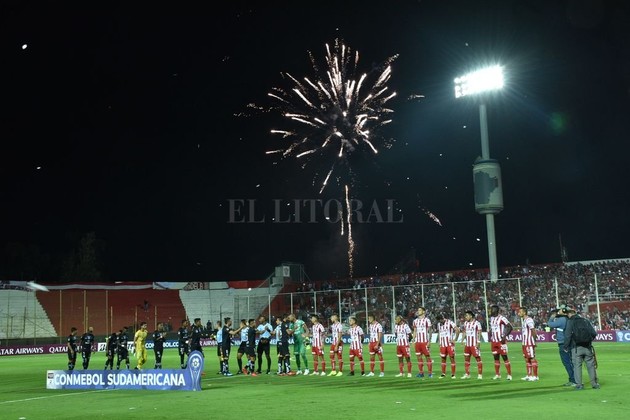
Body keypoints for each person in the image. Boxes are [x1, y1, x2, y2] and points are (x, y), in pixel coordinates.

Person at [563, 308, 600, 390]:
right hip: (587, 347)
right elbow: (593, 333)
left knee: (577, 366)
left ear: (570, 314)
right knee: (591, 366)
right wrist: (588, 341)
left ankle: (579, 385)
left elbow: (567, 335)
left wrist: (565, 346)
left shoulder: (570, 322)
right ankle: (594, 384)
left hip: (576, 348)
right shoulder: (585, 321)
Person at [548, 305, 576, 386]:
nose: (558, 311)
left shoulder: (561, 319)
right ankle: (576, 379)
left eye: (559, 310)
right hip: (570, 342)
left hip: (563, 343)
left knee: (567, 362)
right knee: (572, 362)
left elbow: (550, 324)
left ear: (563, 311)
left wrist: (552, 317)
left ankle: (573, 380)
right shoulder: (569, 319)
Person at [489, 304, 513, 381]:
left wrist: (504, 336)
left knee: (505, 357)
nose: (490, 311)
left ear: (496, 310)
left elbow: (510, 327)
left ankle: (509, 375)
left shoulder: (502, 318)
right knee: (496, 358)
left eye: (492, 309)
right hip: (494, 341)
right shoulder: (491, 318)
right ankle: (497, 375)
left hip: (500, 341)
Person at [460, 310, 483, 380]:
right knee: (466, 359)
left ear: (471, 316)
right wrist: (462, 340)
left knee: (478, 358)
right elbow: (464, 332)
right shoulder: (465, 323)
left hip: (474, 344)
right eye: (465, 316)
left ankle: (480, 375)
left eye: (467, 316)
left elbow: (479, 333)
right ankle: (467, 374)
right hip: (467, 344)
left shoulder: (477, 323)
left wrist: (478, 342)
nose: (465, 317)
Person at [435, 313, 459, 379]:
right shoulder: (439, 324)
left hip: (449, 344)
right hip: (442, 344)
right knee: (443, 358)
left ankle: (453, 374)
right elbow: (439, 333)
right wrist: (439, 341)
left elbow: (457, 330)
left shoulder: (450, 322)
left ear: (442, 318)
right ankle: (443, 374)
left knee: (452, 358)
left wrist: (455, 339)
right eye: (439, 320)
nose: (440, 321)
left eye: (440, 320)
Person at [518, 307, 539, 381]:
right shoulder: (524, 320)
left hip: (529, 342)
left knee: (532, 358)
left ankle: (535, 376)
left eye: (520, 312)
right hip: (524, 343)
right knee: (527, 359)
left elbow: (533, 330)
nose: (519, 313)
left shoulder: (529, 320)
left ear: (524, 312)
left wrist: (534, 341)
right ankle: (529, 375)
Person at [412, 307, 433, 378]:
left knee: (427, 357)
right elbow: (415, 331)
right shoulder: (415, 321)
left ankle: (430, 373)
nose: (418, 311)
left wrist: (429, 341)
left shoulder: (427, 320)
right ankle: (421, 373)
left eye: (420, 310)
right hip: (418, 342)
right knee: (419, 357)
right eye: (418, 310)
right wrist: (413, 340)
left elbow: (430, 331)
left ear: (424, 312)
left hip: (425, 342)